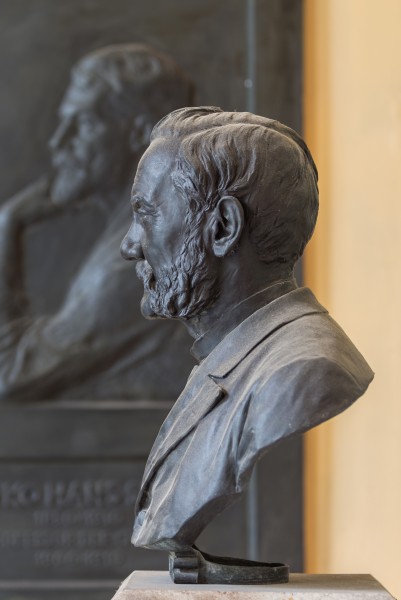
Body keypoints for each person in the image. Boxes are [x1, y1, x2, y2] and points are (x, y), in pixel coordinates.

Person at [121, 107, 374, 556]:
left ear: (223, 227)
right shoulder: (226, 359)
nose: (129, 244)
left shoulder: (302, 369)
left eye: (147, 214)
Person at [0, 44, 194, 402]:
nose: (59, 141)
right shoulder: (142, 233)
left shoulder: (136, 262)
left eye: (85, 123)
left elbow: (9, 375)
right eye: (64, 121)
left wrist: (6, 227)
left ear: (137, 134)